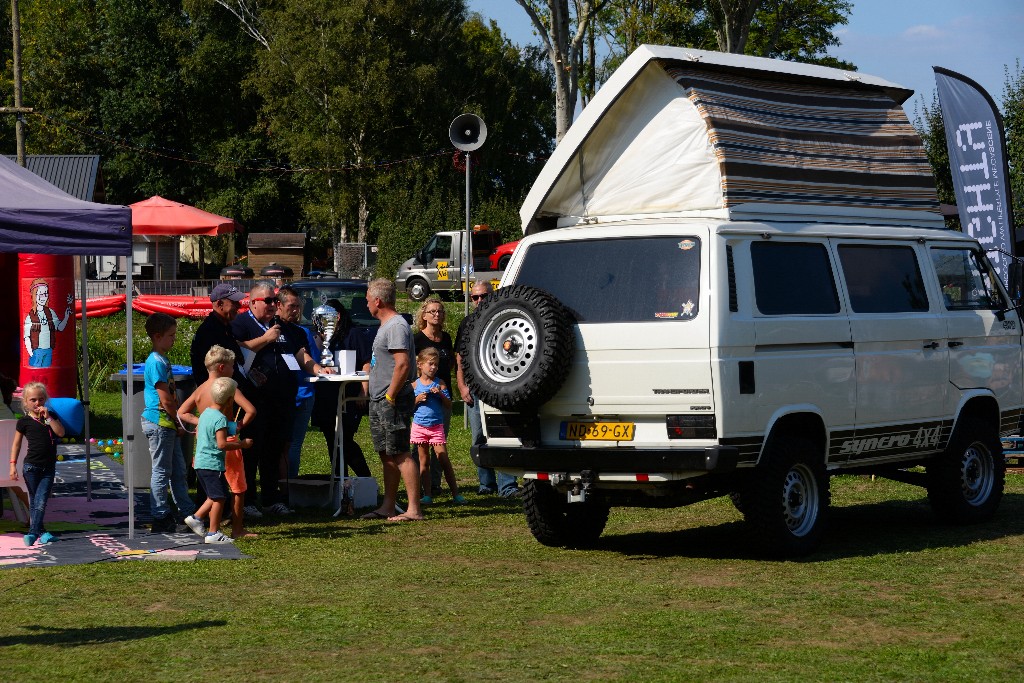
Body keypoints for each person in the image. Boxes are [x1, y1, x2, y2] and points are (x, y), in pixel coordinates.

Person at [232, 280, 331, 516]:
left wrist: (319, 369)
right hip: (254, 400)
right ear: (252, 302)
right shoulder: (241, 324)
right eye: (267, 301)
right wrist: (266, 339)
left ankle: (271, 498)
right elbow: (237, 349)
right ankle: (247, 502)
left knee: (274, 451)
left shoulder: (286, 328)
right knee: (251, 451)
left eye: (274, 300)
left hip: (282, 400)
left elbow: (302, 356)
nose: (272, 305)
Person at [178, 345, 259, 540]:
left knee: (216, 492)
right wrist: (237, 427)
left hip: (205, 444)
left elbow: (181, 412)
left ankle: (210, 525)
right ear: (222, 367)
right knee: (238, 488)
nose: (234, 369)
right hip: (227, 441)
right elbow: (251, 410)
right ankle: (237, 529)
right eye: (232, 366)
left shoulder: (201, 389)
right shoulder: (227, 387)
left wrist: (202, 422)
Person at [360, 278, 423, 522]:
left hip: (391, 399)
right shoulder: (386, 325)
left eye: (367, 300)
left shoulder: (396, 325)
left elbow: (403, 364)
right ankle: (388, 505)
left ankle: (414, 509)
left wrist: (390, 395)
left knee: (400, 452)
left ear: (378, 300)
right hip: (380, 399)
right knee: (386, 453)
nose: (366, 305)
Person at [456, 281, 519, 497]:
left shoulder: (504, 319)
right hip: (475, 390)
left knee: (502, 437)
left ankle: (508, 486)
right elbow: (460, 359)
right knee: (479, 438)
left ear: (492, 296)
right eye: (475, 297)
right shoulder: (467, 324)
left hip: (499, 389)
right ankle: (486, 484)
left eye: (483, 296)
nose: (479, 300)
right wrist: (462, 386)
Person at [142, 312, 200, 533]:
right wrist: (178, 421)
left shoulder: (162, 359)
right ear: (157, 336)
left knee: (178, 469)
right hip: (159, 422)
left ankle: (186, 512)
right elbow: (165, 397)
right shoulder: (155, 362)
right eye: (171, 335)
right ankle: (160, 515)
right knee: (161, 471)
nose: (174, 339)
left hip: (166, 424)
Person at [310, 299, 374, 479]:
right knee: (331, 439)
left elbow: (366, 362)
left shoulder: (354, 334)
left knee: (345, 440)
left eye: (326, 318)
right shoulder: (320, 339)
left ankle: (365, 479)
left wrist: (363, 390)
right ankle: (340, 482)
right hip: (326, 396)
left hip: (350, 395)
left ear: (336, 316)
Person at [191, 377, 253, 544]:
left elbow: (225, 428)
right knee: (219, 498)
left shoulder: (205, 414)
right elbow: (222, 444)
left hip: (200, 463)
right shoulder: (220, 418)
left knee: (214, 495)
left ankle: (196, 517)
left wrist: (235, 426)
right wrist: (242, 444)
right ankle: (213, 533)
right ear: (231, 400)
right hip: (212, 464)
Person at [9, 381, 65, 546]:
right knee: (36, 501)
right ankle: (41, 532)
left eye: (40, 399)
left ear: (45, 400)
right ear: (25, 402)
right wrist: (13, 464)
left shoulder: (50, 417)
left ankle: (34, 532)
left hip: (48, 467)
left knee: (39, 501)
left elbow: (60, 432)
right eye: (33, 400)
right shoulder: (24, 422)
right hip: (31, 467)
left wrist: (48, 417)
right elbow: (16, 444)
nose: (37, 403)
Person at [413, 295, 455, 495]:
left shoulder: (446, 338)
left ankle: (435, 485)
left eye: (439, 311)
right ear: (424, 315)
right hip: (422, 398)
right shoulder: (417, 339)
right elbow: (413, 369)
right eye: (432, 311)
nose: (436, 314)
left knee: (440, 444)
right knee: (420, 447)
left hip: (442, 396)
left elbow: (452, 364)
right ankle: (420, 485)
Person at [411, 348, 464, 505]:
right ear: (420, 365)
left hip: (436, 427)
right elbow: (408, 408)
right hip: (419, 426)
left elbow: (448, 405)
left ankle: (456, 493)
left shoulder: (440, 383)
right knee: (423, 461)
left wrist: (440, 394)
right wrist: (417, 399)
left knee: (443, 458)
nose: (433, 367)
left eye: (436, 364)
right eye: (430, 364)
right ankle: (427, 494)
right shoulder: (414, 386)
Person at [278, 286, 318, 480]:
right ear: (279, 305)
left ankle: (289, 485)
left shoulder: (302, 332)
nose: (296, 310)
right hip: (282, 395)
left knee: (293, 443)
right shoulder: (272, 328)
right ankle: (282, 485)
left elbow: (308, 359)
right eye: (292, 306)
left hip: (304, 393)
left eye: (298, 306)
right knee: (282, 443)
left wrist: (320, 369)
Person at [190, 283, 248, 387]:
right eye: (234, 302)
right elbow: (216, 372)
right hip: (218, 394)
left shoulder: (224, 326)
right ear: (220, 303)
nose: (239, 305)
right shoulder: (209, 332)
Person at [23, 278, 73, 368]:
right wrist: (30, 352)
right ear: (35, 295)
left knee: (47, 370)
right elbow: (26, 337)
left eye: (45, 294)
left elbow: (60, 327)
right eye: (41, 294)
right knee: (36, 371)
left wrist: (66, 316)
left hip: (48, 350)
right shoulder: (30, 316)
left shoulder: (50, 312)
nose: (43, 297)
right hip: (36, 351)